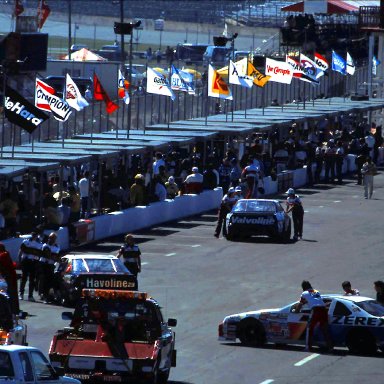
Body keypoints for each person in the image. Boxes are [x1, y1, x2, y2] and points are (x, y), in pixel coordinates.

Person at [294, 280, 332, 351]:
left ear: (303, 288)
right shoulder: (316, 291)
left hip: (316, 310)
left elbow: (300, 304)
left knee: (309, 329)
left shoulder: (304, 293)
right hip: (323, 310)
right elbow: (315, 299)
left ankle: (308, 347)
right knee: (325, 330)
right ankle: (330, 348)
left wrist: (296, 311)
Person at [18, 232, 42, 302]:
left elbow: (40, 253)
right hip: (26, 261)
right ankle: (21, 293)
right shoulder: (26, 241)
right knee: (24, 277)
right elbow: (21, 251)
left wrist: (38, 261)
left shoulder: (39, 243)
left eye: (36, 235)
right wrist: (20, 260)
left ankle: (30, 295)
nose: (35, 236)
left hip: (34, 262)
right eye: (34, 234)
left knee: (32, 279)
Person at [37, 232, 60, 303]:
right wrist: (53, 257)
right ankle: (43, 295)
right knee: (43, 279)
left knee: (50, 280)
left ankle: (48, 295)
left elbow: (57, 256)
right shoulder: (45, 246)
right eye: (50, 238)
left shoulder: (57, 247)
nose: (51, 239)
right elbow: (47, 255)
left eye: (53, 238)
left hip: (51, 265)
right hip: (44, 264)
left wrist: (55, 258)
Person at [0, 243, 19, 314]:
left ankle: (11, 309)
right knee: (12, 292)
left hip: (7, 276)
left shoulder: (2, 255)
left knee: (7, 293)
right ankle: (14, 309)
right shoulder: (5, 254)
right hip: (11, 275)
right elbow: (11, 264)